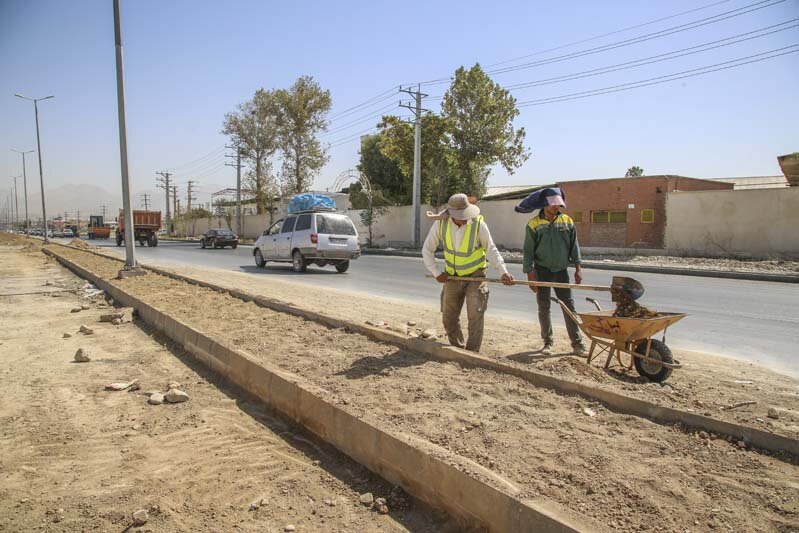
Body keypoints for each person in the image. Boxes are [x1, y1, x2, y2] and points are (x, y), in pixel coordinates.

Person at [423, 193, 514, 352]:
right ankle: (457, 348)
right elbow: (427, 250)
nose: (463, 219)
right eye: (459, 216)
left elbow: (491, 249)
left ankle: (472, 353)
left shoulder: (479, 224)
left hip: (475, 276)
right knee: (449, 317)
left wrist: (503, 271)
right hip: (451, 277)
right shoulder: (440, 225)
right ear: (450, 214)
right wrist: (436, 272)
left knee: (475, 316)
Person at [518, 188, 586, 356]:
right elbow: (528, 251)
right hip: (542, 271)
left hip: (561, 271)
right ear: (546, 204)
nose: (557, 208)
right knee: (544, 307)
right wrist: (530, 274)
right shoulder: (534, 224)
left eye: (559, 205)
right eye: (554, 205)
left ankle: (577, 344)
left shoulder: (567, 221)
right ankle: (548, 342)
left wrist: (578, 268)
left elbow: (574, 246)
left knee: (569, 307)